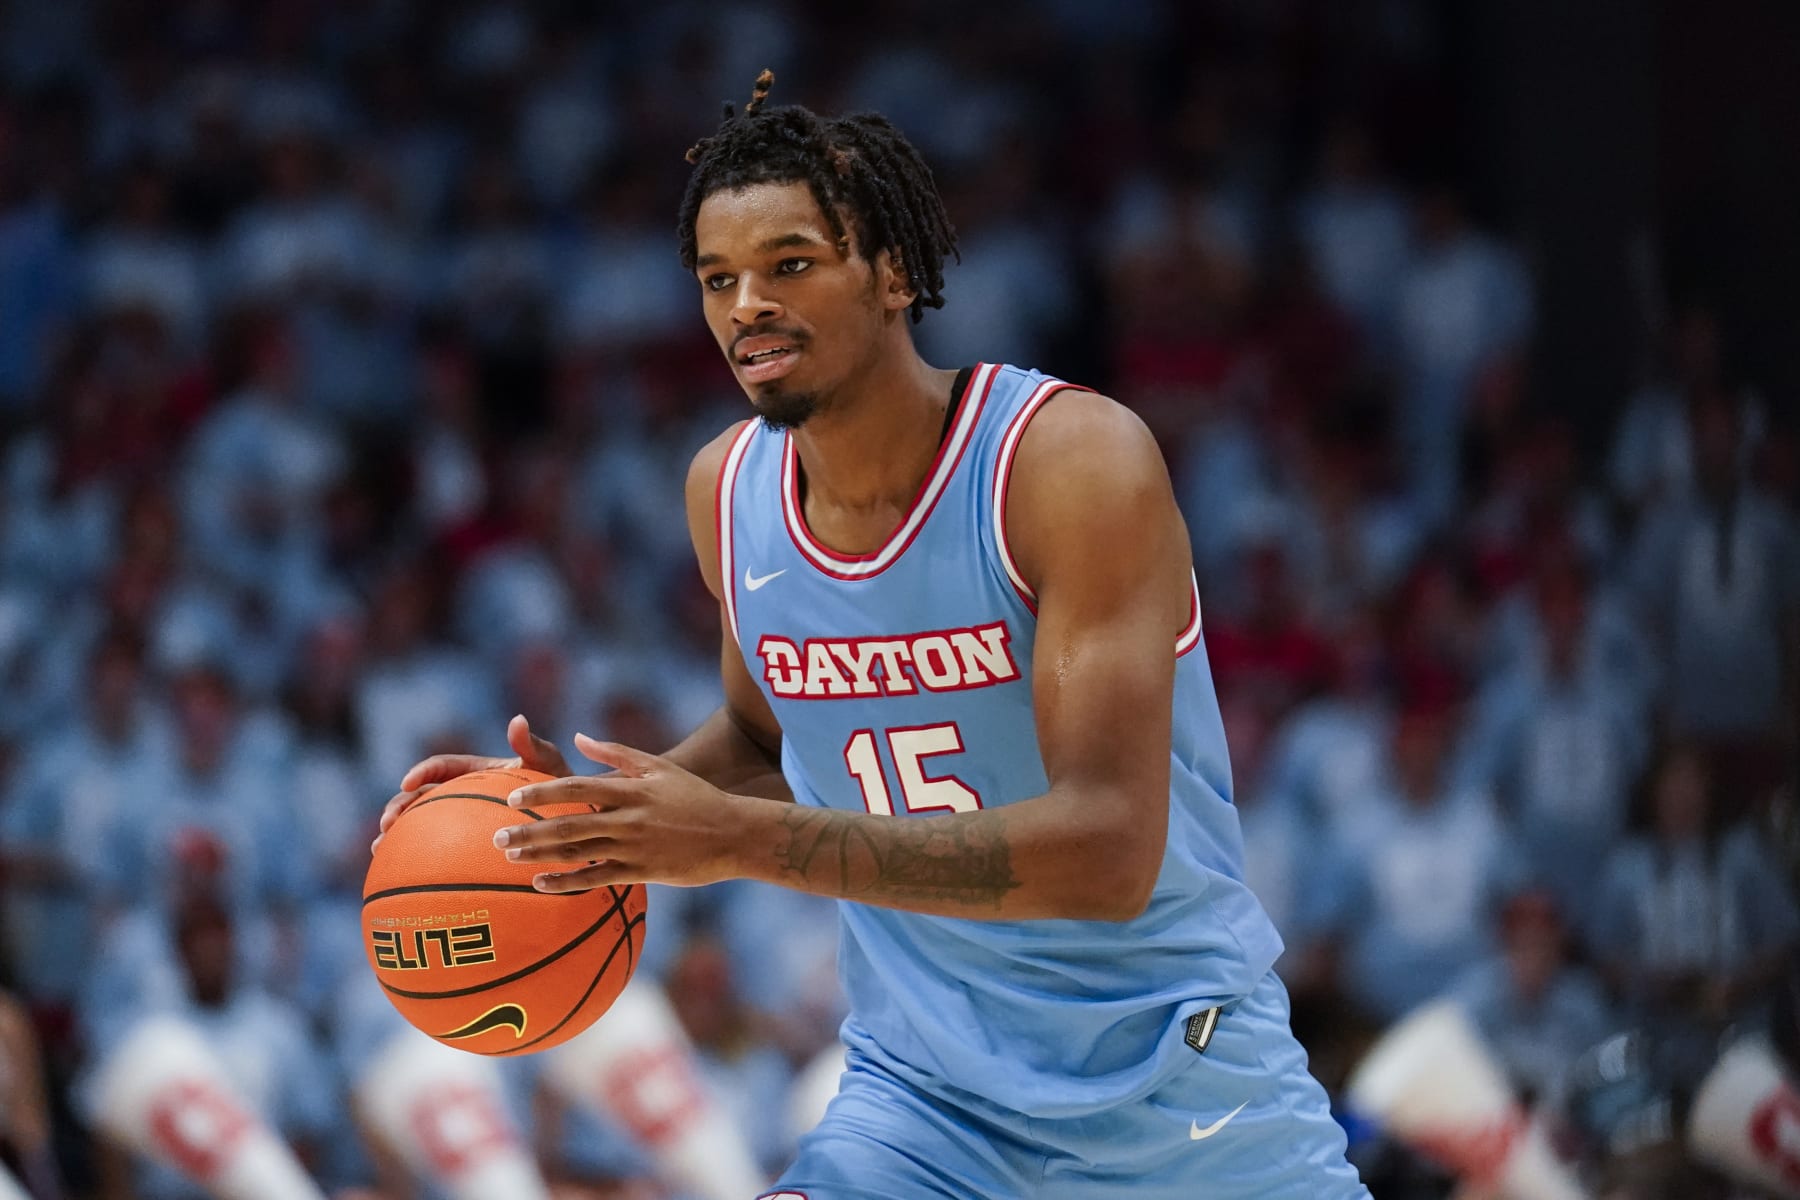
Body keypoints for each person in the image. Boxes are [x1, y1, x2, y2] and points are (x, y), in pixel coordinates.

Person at [380, 71, 1367, 1199]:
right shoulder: (729, 491)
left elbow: (1107, 851)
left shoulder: (1066, 465)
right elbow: (766, 738)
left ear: (893, 271)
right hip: (923, 1106)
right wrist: (573, 822)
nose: (747, 303)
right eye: (718, 279)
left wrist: (744, 846)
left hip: (1173, 1093)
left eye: (789, 264)